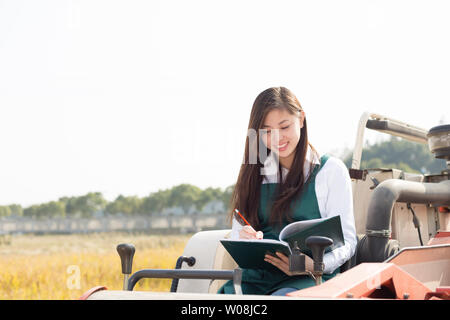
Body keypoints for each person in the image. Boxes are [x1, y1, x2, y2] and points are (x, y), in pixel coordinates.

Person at [218, 87, 357, 296]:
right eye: (266, 132)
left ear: (301, 119)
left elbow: (347, 240)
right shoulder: (254, 173)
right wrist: (245, 237)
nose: (277, 138)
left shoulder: (330, 171)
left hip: (309, 278)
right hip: (255, 278)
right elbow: (239, 228)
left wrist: (315, 265)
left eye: (284, 127)